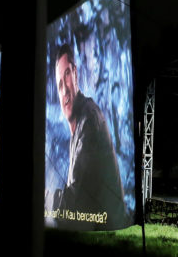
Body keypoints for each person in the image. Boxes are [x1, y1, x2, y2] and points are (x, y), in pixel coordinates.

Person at [52, 44, 126, 228]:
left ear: (76, 73)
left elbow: (74, 203)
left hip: (108, 240)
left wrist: (40, 199)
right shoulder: (79, 123)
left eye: (67, 74)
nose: (64, 91)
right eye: (59, 84)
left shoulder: (89, 122)